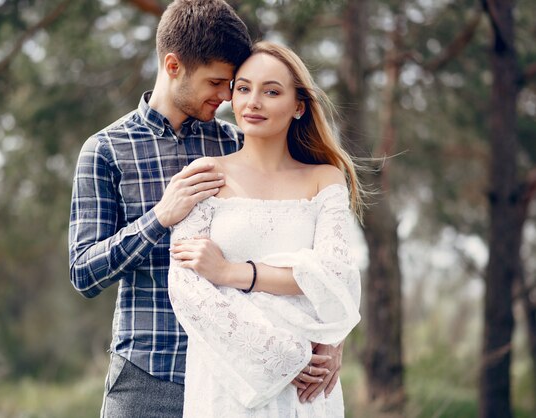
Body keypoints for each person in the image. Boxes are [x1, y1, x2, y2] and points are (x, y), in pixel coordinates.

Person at [68, 1, 251, 416]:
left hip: (232, 377)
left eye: (231, 84)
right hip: (145, 381)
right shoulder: (104, 151)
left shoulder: (239, 145)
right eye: (216, 82)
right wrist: (159, 218)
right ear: (173, 66)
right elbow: (83, 272)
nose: (226, 97)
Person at [168, 41, 363, 417]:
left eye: (271, 91)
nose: (252, 102)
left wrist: (230, 272)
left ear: (298, 106)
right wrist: (285, 358)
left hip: (308, 389)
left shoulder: (325, 179)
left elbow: (337, 275)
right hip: (230, 383)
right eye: (243, 88)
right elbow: (187, 288)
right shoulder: (206, 175)